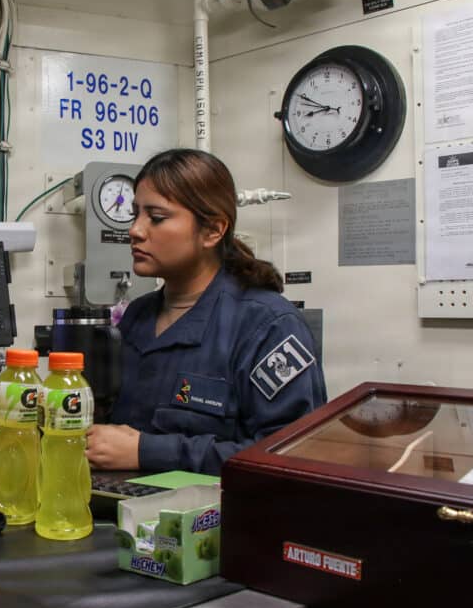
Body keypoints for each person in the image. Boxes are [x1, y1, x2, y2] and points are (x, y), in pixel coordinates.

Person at [85, 149, 326, 475]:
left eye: (155, 217)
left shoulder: (267, 326)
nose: (135, 230)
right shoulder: (138, 317)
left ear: (213, 230)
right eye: (134, 214)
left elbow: (291, 455)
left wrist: (149, 451)